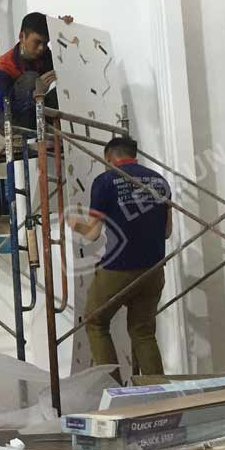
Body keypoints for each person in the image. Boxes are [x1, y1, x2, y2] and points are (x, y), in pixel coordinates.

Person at [66, 136, 173, 381]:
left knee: (95, 321)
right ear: (133, 155)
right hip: (154, 269)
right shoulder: (160, 181)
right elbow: (167, 232)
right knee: (143, 331)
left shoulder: (105, 181)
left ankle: (114, 389)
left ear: (109, 157)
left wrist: (74, 224)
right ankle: (159, 391)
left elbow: (92, 234)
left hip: (119, 269)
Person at [0, 12, 72, 135]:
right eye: (37, 42)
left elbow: (65, 66)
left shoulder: (43, 55)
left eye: (45, 43)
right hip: (7, 120)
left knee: (64, 92)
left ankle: (54, 135)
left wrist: (63, 30)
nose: (41, 48)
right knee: (31, 78)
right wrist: (34, 94)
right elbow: (5, 107)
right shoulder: (2, 68)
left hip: (33, 112)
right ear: (22, 36)